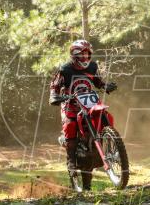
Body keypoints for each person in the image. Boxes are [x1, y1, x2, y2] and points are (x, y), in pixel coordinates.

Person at [49, 40, 116, 175]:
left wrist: (105, 86)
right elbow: (54, 86)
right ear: (74, 55)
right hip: (70, 103)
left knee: (105, 116)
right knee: (70, 125)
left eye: (87, 54)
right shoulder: (65, 69)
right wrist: (54, 96)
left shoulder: (92, 66)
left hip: (89, 102)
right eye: (82, 54)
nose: (85, 57)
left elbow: (98, 82)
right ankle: (71, 161)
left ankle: (110, 148)